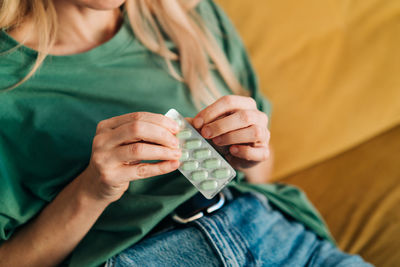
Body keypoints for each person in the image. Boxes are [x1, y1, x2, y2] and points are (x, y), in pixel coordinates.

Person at [0, 0, 372, 266]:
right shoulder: (7, 81)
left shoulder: (187, 14)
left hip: (271, 235)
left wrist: (245, 151)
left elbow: (259, 173)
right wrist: (91, 189)